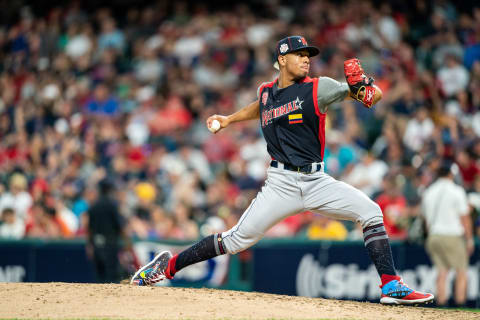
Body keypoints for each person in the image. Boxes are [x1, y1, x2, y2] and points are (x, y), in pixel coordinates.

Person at [131, 36, 434, 305]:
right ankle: (167, 266)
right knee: (236, 240)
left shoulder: (319, 88)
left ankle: (391, 285)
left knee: (371, 212)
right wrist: (228, 119)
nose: (306, 59)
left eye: (308, 55)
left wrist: (363, 86)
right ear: (281, 60)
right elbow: (258, 107)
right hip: (281, 184)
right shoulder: (266, 92)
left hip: (317, 180)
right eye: (299, 54)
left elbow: (372, 97)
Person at [422, 161, 473, 307]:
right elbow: (465, 218)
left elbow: (426, 220)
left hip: (434, 235)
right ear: (451, 174)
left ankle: (441, 305)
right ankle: (460, 305)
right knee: (461, 271)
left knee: (442, 271)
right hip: (452, 235)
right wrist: (469, 239)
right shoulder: (457, 191)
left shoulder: (429, 191)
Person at [87, 179, 128, 283]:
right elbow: (120, 225)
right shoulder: (113, 205)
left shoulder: (94, 206)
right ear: (109, 190)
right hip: (111, 244)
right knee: (111, 275)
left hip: (97, 244)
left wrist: (89, 245)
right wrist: (127, 241)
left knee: (99, 275)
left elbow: (90, 228)